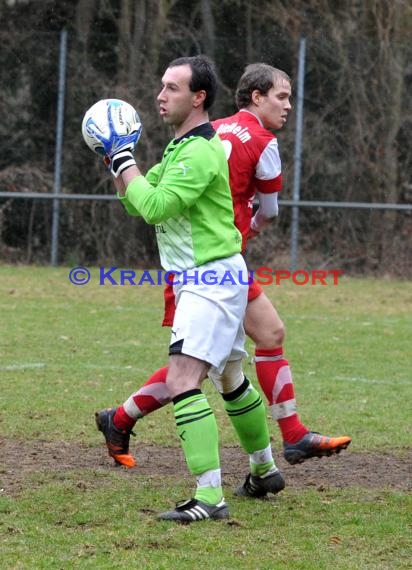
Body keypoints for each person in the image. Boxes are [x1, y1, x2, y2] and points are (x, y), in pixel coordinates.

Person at [96, 63, 351, 475]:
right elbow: (267, 211)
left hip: (214, 264)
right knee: (203, 367)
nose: (287, 106)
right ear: (257, 96)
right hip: (206, 264)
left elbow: (149, 199)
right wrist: (121, 163)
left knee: (230, 359)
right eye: (282, 97)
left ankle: (272, 459)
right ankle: (263, 455)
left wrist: (121, 165)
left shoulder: (211, 132)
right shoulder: (249, 141)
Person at [93, 56, 285, 523]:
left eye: (172, 88)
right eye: (161, 86)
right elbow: (137, 203)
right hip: (209, 279)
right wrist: (116, 163)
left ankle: (209, 496)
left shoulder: (201, 151)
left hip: (209, 280)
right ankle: (263, 470)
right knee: (231, 378)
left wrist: (124, 159)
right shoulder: (181, 149)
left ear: (198, 97)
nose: (161, 95)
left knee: (182, 380)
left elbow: (155, 206)